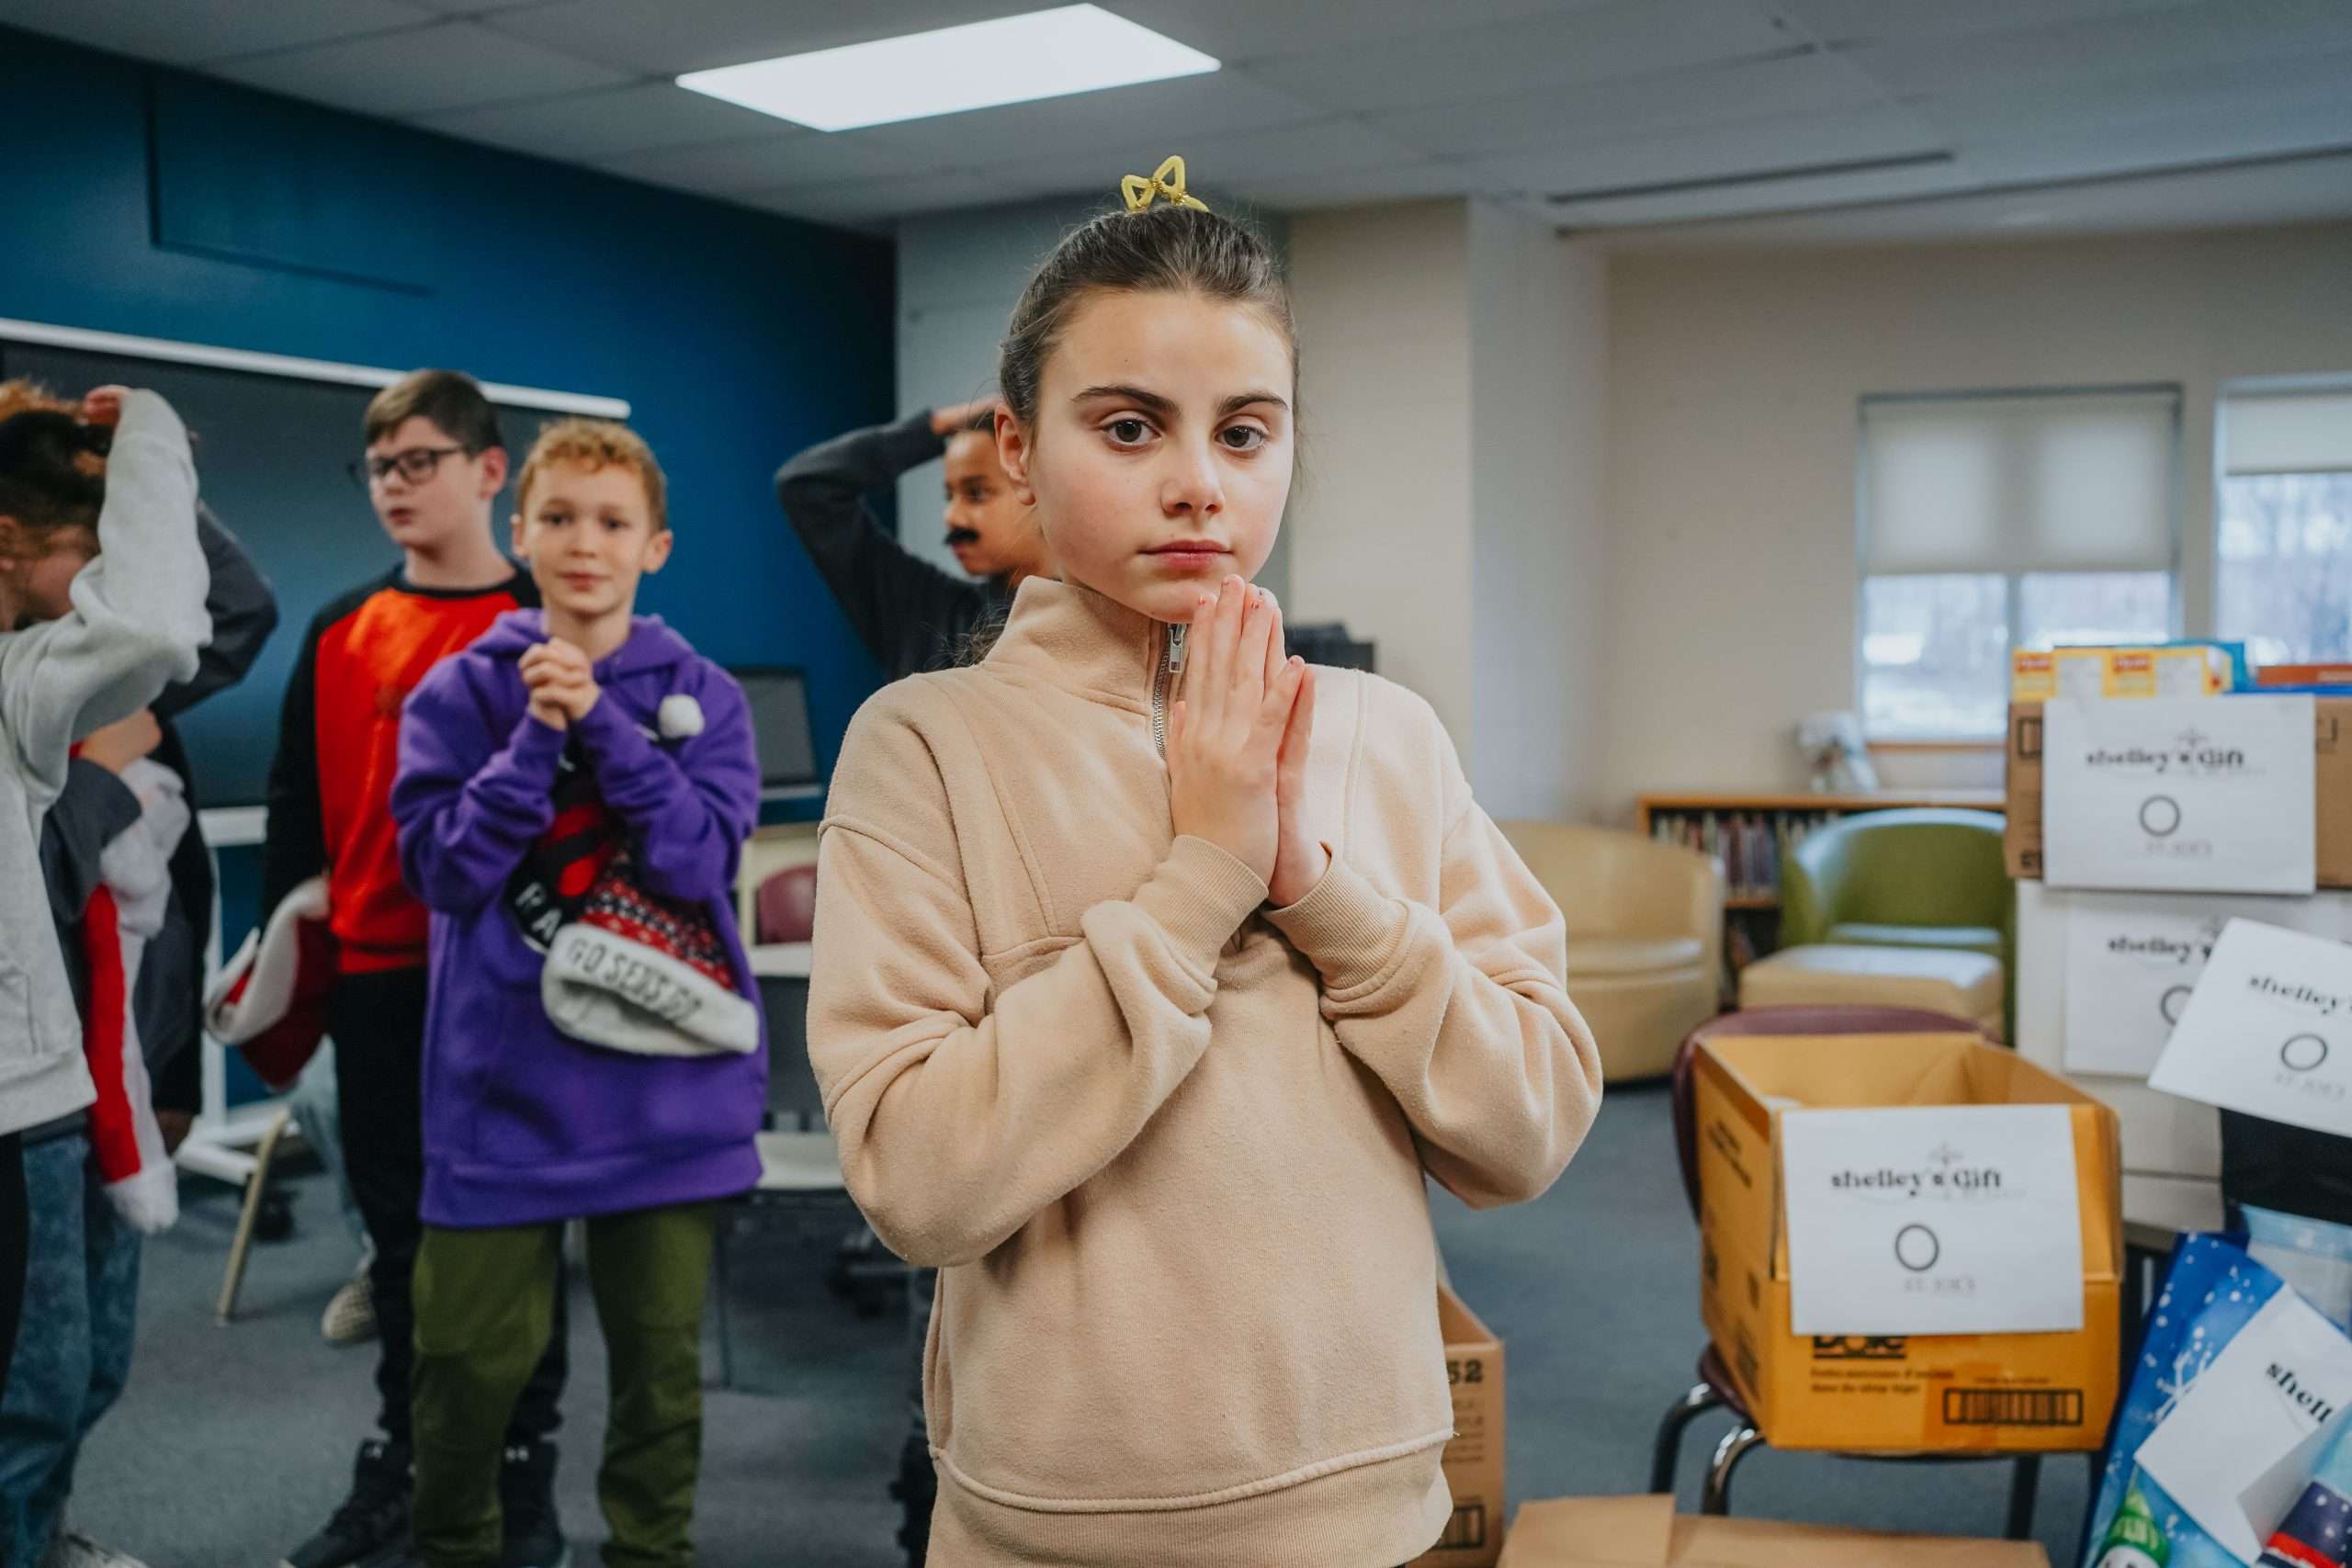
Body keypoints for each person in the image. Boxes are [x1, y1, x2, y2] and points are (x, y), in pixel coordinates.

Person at [806, 158, 1604, 1567]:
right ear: (1017, 445)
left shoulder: (1385, 734)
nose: (1195, 485)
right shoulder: (923, 743)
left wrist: (1321, 889)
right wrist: (1197, 882)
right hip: (1056, 1525)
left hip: (1369, 1502)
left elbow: (1531, 1124)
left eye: (1246, 433)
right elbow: (914, 1177)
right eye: (1128, 426)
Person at [390, 418, 763, 1568]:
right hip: (499, 1101)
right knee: (460, 1379)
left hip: (667, 1103)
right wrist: (531, 740)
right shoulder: (459, 691)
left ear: (653, 546)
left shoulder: (704, 693)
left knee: (660, 1384)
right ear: (521, 534)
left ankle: (649, 1556)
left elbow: (700, 865)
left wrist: (602, 725)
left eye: (611, 522)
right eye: (558, 518)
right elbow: (442, 872)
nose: (583, 542)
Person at [265, 370, 568, 1568]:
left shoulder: (559, 614)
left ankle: (520, 1469)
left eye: (421, 460)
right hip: (382, 984)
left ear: (491, 471)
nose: (397, 484)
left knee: (517, 1236)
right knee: (399, 1243)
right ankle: (404, 1453)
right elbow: (299, 811)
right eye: (380, 465)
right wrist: (298, 957)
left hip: (521, 987)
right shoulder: (341, 628)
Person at [0, 384, 211, 1568]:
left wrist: (148, 441)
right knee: (28, 1400)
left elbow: (170, 625)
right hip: (23, 1112)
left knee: (74, 1374)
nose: (93, 577)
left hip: (52, 1094)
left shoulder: (23, 684)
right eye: (75, 548)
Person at [775, 397, 1053, 679]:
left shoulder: (1090, 624)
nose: (952, 516)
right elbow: (806, 486)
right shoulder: (924, 612)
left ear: (1038, 490)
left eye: (976, 493)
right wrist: (942, 424)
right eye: (948, 496)